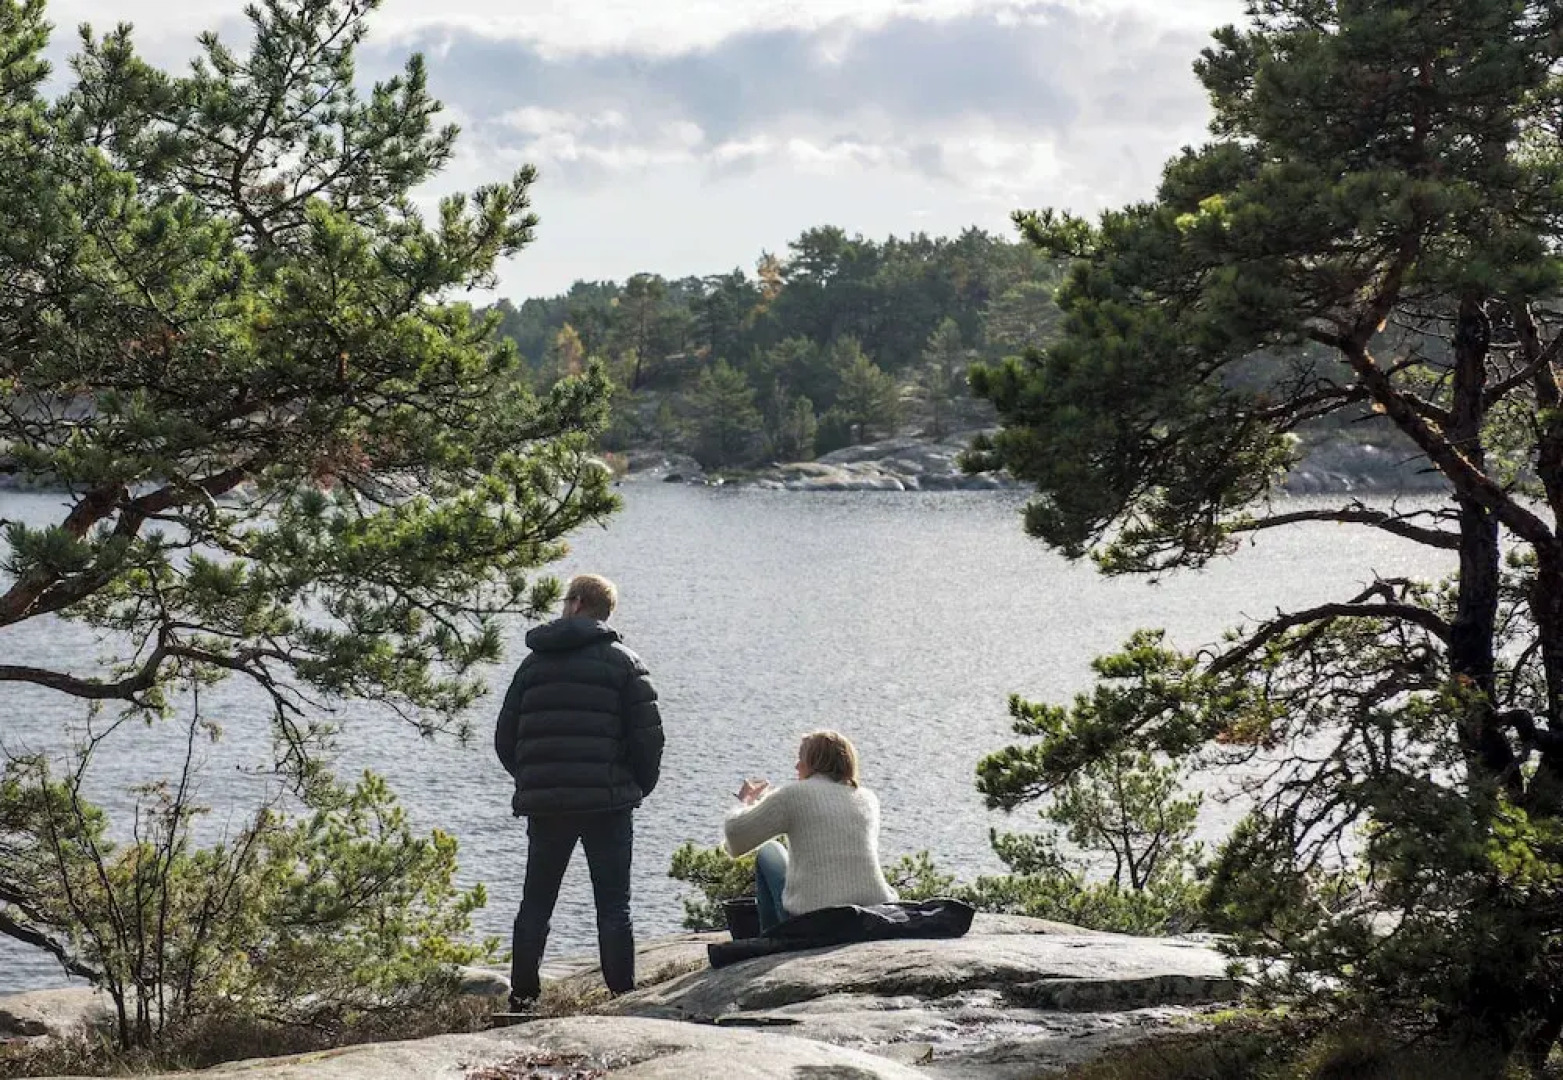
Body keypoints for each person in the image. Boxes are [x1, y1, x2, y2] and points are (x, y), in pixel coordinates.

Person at [494, 573, 664, 1010]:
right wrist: (635, 787)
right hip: (608, 804)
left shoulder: (532, 665)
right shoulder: (625, 663)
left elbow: (504, 738)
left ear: (576, 604)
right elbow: (648, 738)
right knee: (613, 905)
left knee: (536, 903)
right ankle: (622, 995)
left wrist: (535, 778)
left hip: (548, 806)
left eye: (566, 598)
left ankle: (523, 997)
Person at [723, 730, 897, 932]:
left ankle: (770, 938)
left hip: (813, 918)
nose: (796, 766)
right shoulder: (867, 799)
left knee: (769, 850)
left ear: (815, 761)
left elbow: (735, 839)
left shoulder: (794, 794)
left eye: (801, 758)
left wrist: (746, 802)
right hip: (872, 910)